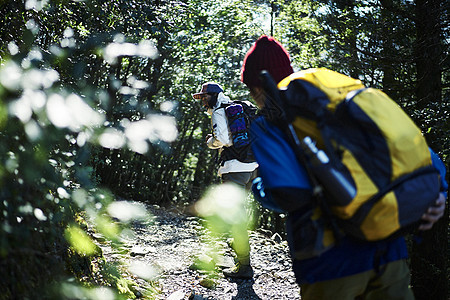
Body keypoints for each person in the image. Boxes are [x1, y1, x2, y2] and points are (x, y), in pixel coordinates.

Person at [240, 35, 447, 299]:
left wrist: (259, 187)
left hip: (331, 260)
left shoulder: (268, 124)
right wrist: (439, 191)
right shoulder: (340, 102)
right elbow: (416, 150)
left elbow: (291, 193)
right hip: (389, 246)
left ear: (256, 87)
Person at [192, 82, 258, 279]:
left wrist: (210, 142)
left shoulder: (219, 111)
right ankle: (239, 255)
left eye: (205, 96)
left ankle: (244, 266)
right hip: (252, 168)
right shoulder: (237, 107)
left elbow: (222, 139)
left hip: (234, 169)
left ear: (214, 95)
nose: (203, 100)